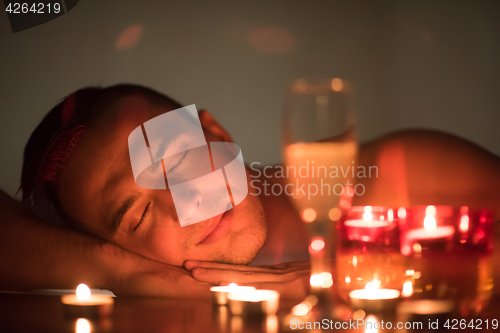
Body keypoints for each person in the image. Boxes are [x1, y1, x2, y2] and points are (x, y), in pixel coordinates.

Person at [1, 84, 499, 298]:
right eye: (136, 217)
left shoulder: (395, 174)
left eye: (177, 160)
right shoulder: (136, 280)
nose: (184, 205)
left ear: (215, 135)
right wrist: (118, 272)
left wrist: (350, 279)